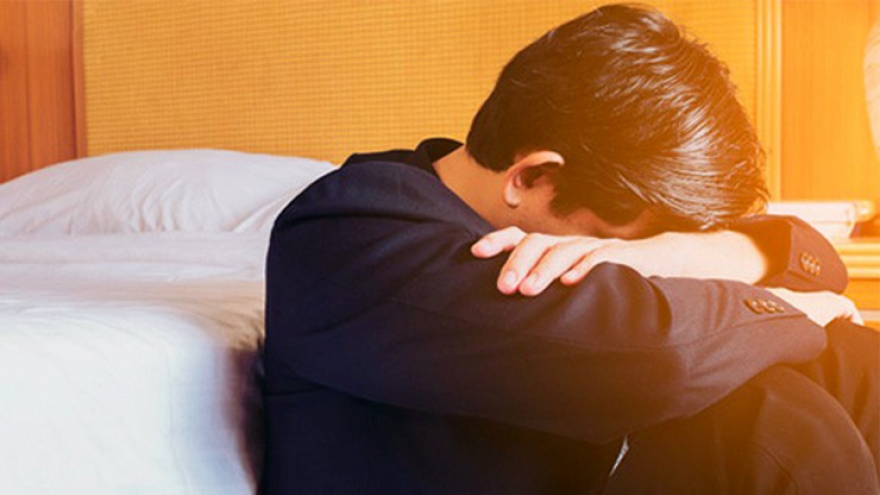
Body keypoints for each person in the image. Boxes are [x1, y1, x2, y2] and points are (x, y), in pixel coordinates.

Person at [262, 4, 879, 494]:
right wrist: (797, 314)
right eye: (614, 244)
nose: (628, 268)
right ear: (533, 176)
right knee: (771, 419)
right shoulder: (349, 234)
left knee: (854, 361)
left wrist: (672, 254)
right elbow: (658, 358)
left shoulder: (577, 194)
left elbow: (814, 260)